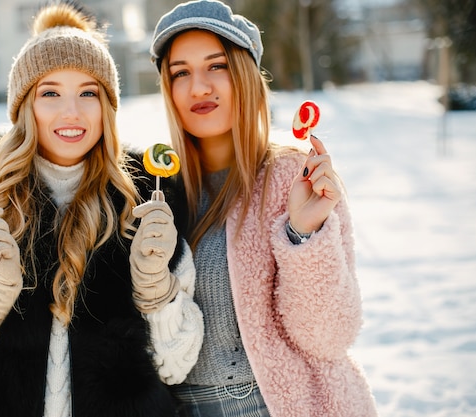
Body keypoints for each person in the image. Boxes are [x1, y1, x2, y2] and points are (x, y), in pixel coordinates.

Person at [0, 2, 203, 417]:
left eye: (88, 93)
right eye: (50, 93)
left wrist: (157, 290)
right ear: (24, 105)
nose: (72, 112)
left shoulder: (148, 197)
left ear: (108, 107)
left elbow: (178, 366)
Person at [149, 1, 378, 416]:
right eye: (180, 72)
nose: (198, 86)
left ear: (245, 75)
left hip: (274, 404)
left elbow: (328, 337)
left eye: (215, 66)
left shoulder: (295, 178)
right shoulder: (157, 192)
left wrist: (302, 234)